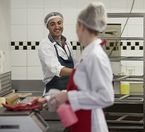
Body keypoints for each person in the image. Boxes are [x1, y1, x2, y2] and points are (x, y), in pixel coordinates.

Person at [50, 2, 114, 132]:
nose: (76, 31)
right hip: (80, 119)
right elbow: (84, 89)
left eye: (76, 26)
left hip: (91, 123)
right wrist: (60, 96)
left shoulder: (95, 56)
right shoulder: (88, 53)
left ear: (82, 26)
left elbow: (106, 97)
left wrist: (68, 96)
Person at [38, 12, 77, 94]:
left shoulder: (67, 43)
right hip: (53, 93)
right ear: (47, 27)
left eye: (59, 23)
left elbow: (75, 63)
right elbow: (56, 69)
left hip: (69, 92)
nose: (57, 27)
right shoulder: (45, 45)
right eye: (52, 24)